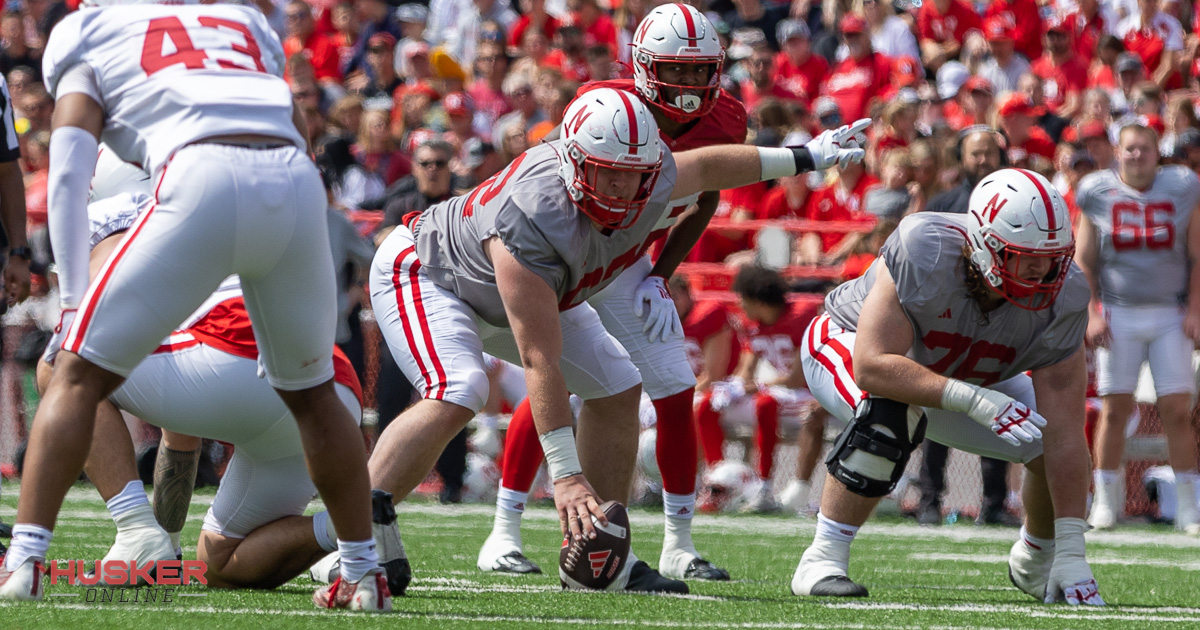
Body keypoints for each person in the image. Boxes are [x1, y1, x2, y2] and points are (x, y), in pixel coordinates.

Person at [362, 83, 868, 594]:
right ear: (576, 163)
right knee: (461, 389)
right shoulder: (533, 211)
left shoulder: (650, 177)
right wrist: (565, 475)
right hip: (432, 274)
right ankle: (353, 536)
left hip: (529, 292)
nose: (624, 190)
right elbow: (540, 360)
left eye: (635, 175)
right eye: (609, 173)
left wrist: (807, 156)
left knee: (617, 385)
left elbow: (713, 167)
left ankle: (599, 559)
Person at [0, 4, 386, 611]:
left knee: (63, 366)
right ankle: (364, 568)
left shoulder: (90, 31)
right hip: (292, 184)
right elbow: (289, 116)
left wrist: (73, 303)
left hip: (203, 191)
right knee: (304, 406)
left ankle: (29, 558)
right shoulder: (241, 18)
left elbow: (72, 169)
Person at [35, 158, 408, 597]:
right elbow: (182, 432)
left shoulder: (111, 213)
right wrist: (167, 546)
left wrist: (146, 531)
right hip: (324, 388)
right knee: (221, 564)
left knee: (61, 364)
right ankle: (353, 523)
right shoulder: (227, 204)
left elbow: (92, 325)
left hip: (232, 353)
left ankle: (134, 528)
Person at [476, 4, 749, 582]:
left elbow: (707, 197)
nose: (693, 84)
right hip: (577, 252)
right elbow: (547, 172)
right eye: (681, 69)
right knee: (559, 374)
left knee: (675, 385)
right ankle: (504, 529)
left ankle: (678, 541)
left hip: (631, 261)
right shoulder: (606, 104)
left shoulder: (726, 118)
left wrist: (659, 270)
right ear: (646, 66)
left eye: (703, 71)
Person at [793, 167, 1105, 607]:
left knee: (1041, 438)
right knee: (890, 413)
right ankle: (822, 559)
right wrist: (973, 399)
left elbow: (1067, 434)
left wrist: (1072, 551)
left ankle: (1036, 560)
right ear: (984, 246)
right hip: (847, 344)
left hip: (962, 375)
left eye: (1053, 256)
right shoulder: (926, 247)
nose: (1044, 270)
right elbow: (873, 365)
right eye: (1026, 255)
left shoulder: (1066, 293)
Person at [1074, 123, 1200, 535]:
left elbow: (1197, 255)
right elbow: (1084, 259)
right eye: (1130, 149)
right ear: (1117, 151)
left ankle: (1188, 507)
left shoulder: (1182, 186)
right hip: (1118, 313)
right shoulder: (1096, 191)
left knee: (1177, 412)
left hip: (1170, 313)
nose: (1137, 156)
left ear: (1156, 152)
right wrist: (1092, 313)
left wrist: (1195, 310)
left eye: (1145, 149)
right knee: (1114, 409)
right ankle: (1105, 503)